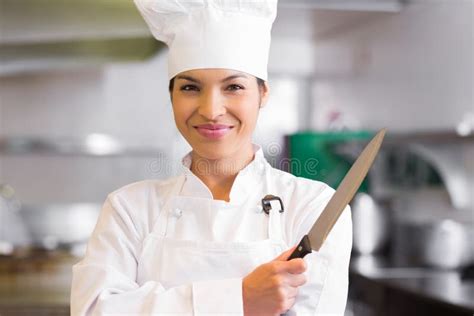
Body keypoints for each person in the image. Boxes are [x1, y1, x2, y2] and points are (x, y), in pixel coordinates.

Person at [70, 0, 352, 315]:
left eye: (233, 87)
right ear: (172, 96)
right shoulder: (130, 209)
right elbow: (95, 310)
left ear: (263, 94)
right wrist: (239, 300)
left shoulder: (313, 206)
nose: (211, 110)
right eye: (190, 87)